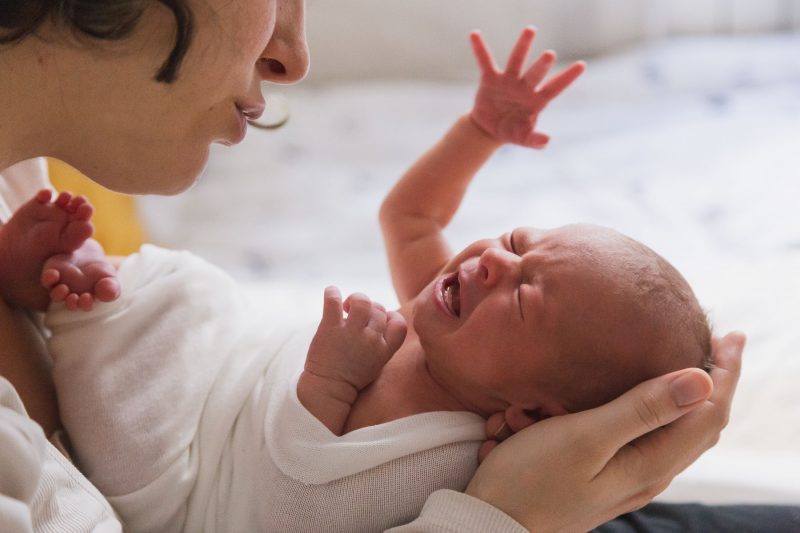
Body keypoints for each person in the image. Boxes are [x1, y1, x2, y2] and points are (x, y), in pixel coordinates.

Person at [0, 1, 791, 531]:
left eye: (523, 299)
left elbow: (303, 478)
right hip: (200, 428)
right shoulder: (442, 332)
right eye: (514, 244)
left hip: (220, 467)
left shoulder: (456, 437)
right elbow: (413, 216)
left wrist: (332, 385)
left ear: (538, 411)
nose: (488, 265)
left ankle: (67, 299)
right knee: (154, 305)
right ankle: (77, 301)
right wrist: (478, 132)